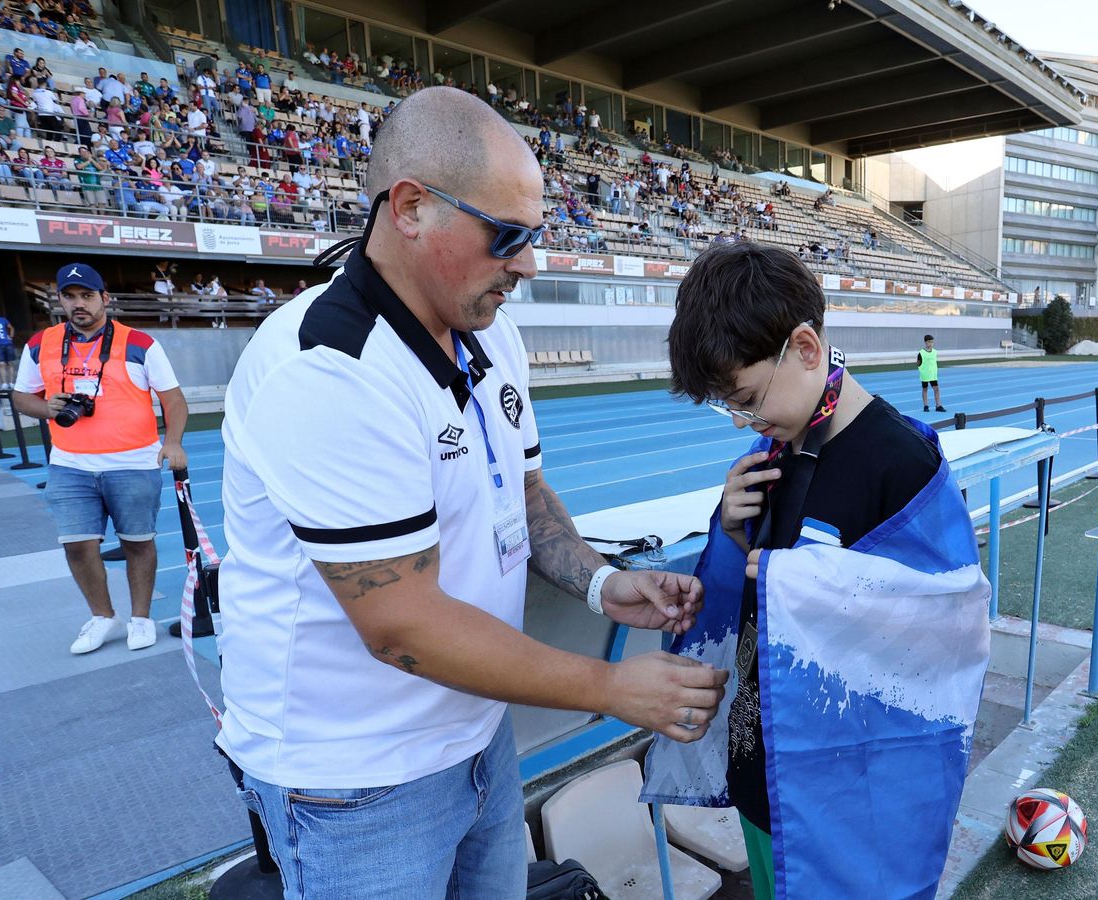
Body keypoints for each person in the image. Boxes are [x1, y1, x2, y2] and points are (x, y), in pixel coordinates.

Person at [214, 86, 726, 897]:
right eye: (508, 235)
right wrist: (613, 688)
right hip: (355, 783)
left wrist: (602, 583)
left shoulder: (491, 330)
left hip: (476, 737)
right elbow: (401, 626)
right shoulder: (329, 371)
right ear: (412, 208)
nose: (527, 262)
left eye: (536, 236)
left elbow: (522, 498)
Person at [645, 241, 990, 899]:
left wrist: (796, 584)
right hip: (765, 772)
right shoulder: (772, 449)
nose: (746, 420)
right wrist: (731, 528)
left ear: (806, 349)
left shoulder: (903, 467)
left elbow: (946, 635)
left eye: (746, 397)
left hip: (850, 797)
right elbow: (750, 589)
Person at [10, 263, 187, 653]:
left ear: (104, 298)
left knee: (138, 542)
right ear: (59, 300)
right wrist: (47, 409)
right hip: (70, 464)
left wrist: (172, 442)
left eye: (87, 296)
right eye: (70, 296)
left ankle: (141, 617)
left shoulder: (140, 343)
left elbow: (173, 399)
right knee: (77, 545)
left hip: (133, 463)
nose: (79, 304)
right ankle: (104, 616)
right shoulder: (40, 344)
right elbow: (22, 396)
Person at [917, 333, 945, 412]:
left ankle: (938, 406)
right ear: (925, 342)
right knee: (925, 389)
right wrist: (923, 369)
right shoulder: (921, 353)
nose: (931, 344)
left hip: (933, 375)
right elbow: (918, 363)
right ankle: (926, 406)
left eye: (932, 342)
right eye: (929, 342)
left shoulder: (935, 352)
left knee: (936, 389)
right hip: (925, 374)